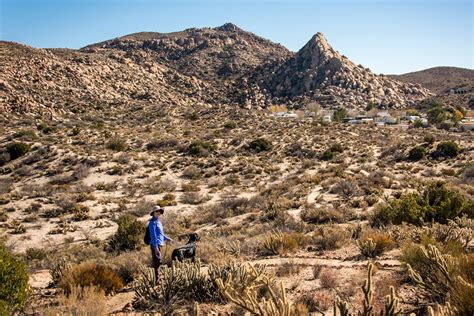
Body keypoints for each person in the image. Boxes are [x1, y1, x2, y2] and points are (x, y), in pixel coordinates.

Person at [148, 206, 173, 282]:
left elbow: (160, 234)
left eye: (159, 211)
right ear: (153, 213)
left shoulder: (158, 222)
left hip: (160, 243)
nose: (158, 212)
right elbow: (153, 236)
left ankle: (157, 277)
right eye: (156, 211)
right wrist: (155, 247)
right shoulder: (152, 223)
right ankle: (156, 279)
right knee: (157, 261)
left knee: (158, 261)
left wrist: (166, 238)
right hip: (155, 244)